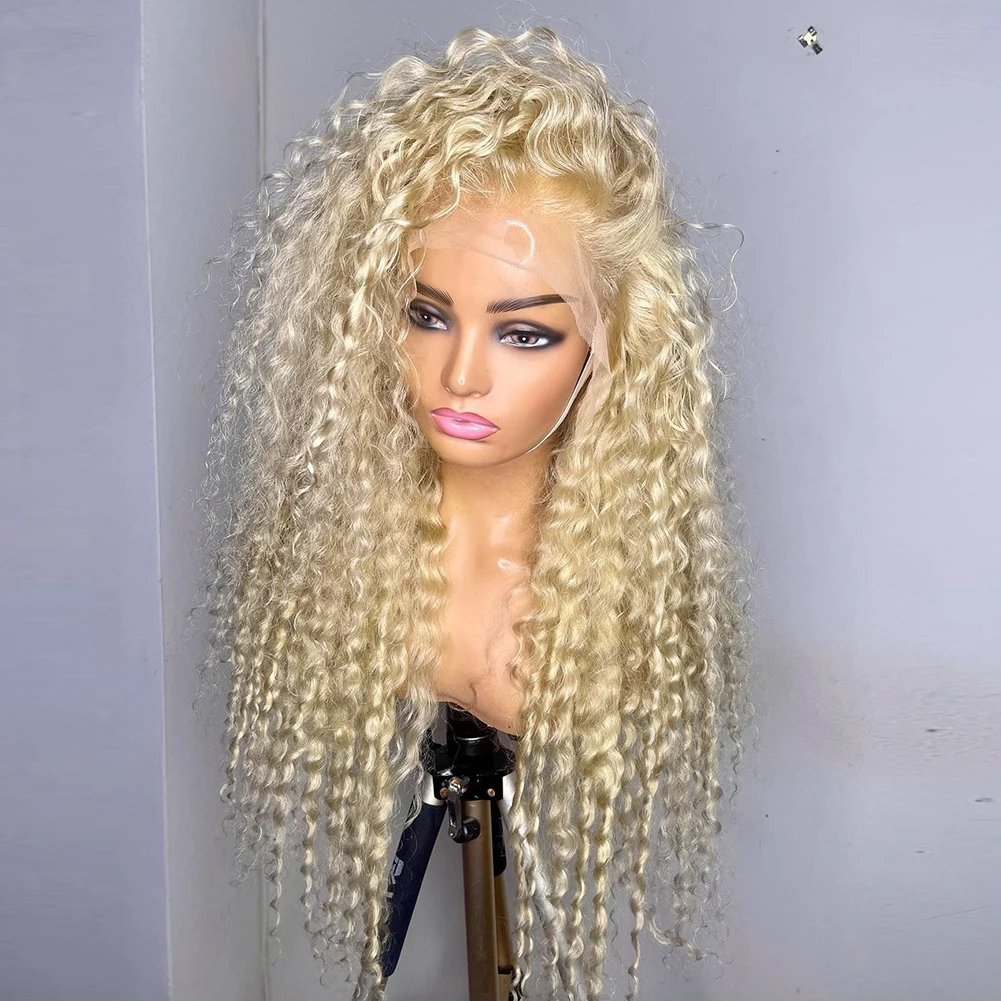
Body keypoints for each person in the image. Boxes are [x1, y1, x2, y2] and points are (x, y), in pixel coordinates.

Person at [200, 26, 750, 1001]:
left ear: (612, 345)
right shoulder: (336, 566)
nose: (459, 375)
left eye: (524, 333)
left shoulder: (615, 607)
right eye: (425, 315)